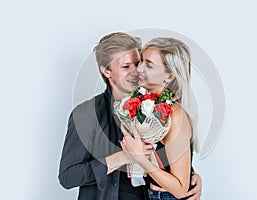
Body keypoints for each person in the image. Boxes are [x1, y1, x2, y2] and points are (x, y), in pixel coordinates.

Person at [58, 32, 202, 200]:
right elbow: (68, 177)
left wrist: (192, 178)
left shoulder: (157, 106)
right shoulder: (86, 114)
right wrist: (120, 158)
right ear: (107, 71)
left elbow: (172, 163)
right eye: (126, 67)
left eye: (138, 63)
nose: (136, 71)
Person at [120, 37, 198, 200]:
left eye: (148, 65)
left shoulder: (176, 115)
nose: (139, 68)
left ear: (169, 76)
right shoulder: (143, 104)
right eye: (141, 60)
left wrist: (140, 159)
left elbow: (180, 189)